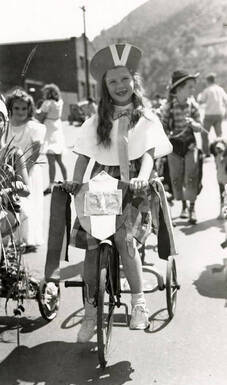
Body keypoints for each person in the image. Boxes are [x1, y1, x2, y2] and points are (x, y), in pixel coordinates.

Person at [63, 43, 173, 343]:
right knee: (93, 246)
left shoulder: (146, 117)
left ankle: (138, 302)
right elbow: (84, 155)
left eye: (125, 79)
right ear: (105, 87)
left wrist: (141, 177)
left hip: (135, 184)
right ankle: (89, 311)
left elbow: (149, 154)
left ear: (134, 82)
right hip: (103, 182)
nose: (120, 86)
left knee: (125, 241)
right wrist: (75, 182)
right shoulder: (97, 119)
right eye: (113, 81)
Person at [5, 89, 46, 252]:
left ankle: (28, 240)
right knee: (10, 204)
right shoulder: (6, 127)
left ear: (30, 109)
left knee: (29, 205)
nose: (21, 112)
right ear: (10, 108)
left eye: (24, 108)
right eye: (17, 108)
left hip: (29, 170)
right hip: (8, 171)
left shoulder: (34, 128)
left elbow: (35, 153)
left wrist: (22, 176)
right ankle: (11, 239)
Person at [161, 70, 203, 224]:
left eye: (193, 87)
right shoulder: (168, 107)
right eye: (190, 87)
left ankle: (192, 208)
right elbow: (163, 126)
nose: (193, 90)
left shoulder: (193, 105)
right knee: (176, 178)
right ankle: (184, 206)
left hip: (190, 145)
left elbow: (199, 127)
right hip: (174, 147)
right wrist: (166, 132)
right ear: (178, 89)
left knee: (191, 177)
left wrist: (194, 124)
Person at [0, 99, 30, 246]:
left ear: (5, 122)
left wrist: (17, 186)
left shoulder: (13, 153)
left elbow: (27, 191)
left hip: (6, 210)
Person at [37, 83, 67, 195]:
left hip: (49, 130)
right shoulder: (59, 102)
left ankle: (50, 185)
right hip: (57, 129)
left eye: (45, 92)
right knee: (59, 160)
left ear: (48, 93)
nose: (44, 94)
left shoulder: (47, 103)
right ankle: (67, 181)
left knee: (51, 161)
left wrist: (36, 113)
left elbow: (41, 117)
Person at [198, 73, 227, 157]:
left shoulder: (207, 90)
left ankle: (207, 152)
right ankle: (221, 151)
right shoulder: (220, 89)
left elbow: (201, 101)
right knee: (219, 135)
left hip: (209, 114)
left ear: (208, 81)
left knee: (204, 134)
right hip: (219, 114)